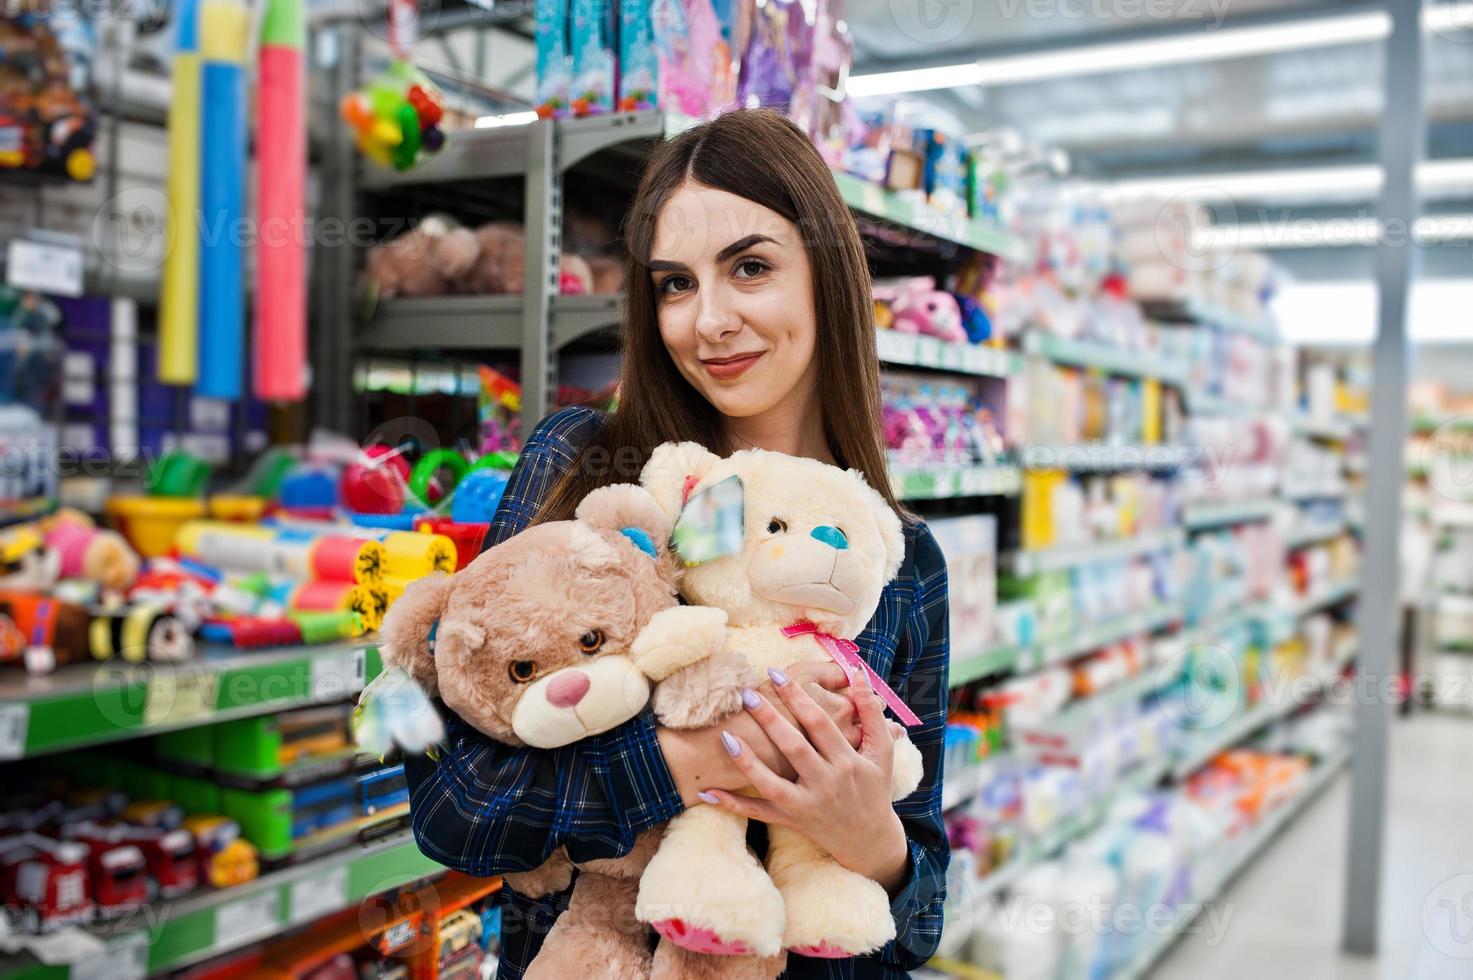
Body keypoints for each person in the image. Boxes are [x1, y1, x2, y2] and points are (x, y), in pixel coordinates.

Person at [404, 108, 951, 978]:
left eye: (751, 268)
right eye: (674, 283)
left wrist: (868, 835)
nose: (709, 321)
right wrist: (686, 759)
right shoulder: (582, 467)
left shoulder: (896, 557)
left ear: (828, 276)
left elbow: (917, 923)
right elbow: (452, 809)